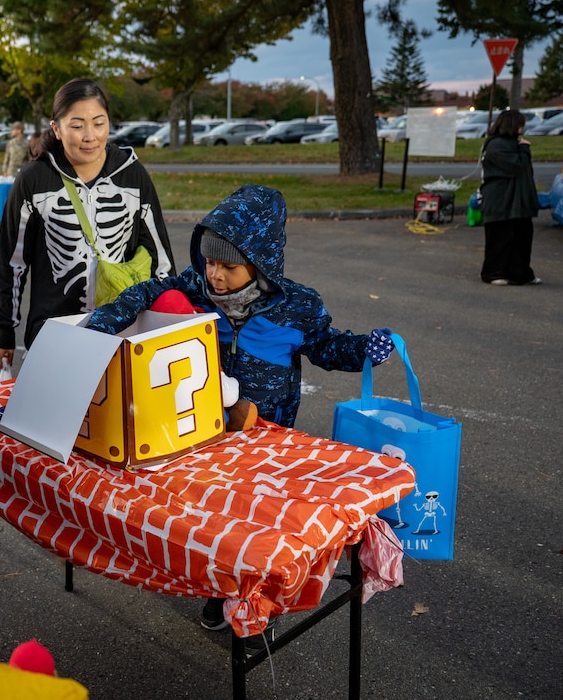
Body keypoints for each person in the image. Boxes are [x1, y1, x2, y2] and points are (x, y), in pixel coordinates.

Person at [84, 183, 396, 632]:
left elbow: (328, 347)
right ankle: (218, 588)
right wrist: (102, 324)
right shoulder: (193, 288)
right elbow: (145, 295)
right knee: (217, 519)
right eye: (209, 262)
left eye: (228, 267)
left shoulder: (296, 308)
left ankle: (257, 605)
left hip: (267, 439)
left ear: (261, 264)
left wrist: (365, 348)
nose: (215, 275)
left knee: (261, 525)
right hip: (207, 432)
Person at [0, 78, 175, 369]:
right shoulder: (33, 180)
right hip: (53, 334)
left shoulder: (132, 174)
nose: (90, 136)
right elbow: (12, 264)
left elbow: (160, 258)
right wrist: (5, 331)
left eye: (99, 123)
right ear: (56, 128)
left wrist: (167, 324)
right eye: (77, 126)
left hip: (122, 331)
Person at [479, 110, 540, 286]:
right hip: (501, 199)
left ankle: (520, 273)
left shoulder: (509, 143)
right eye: (520, 123)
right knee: (500, 238)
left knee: (521, 237)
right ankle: (494, 272)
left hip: (516, 200)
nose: (523, 127)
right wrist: (524, 149)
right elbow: (516, 166)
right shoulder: (497, 145)